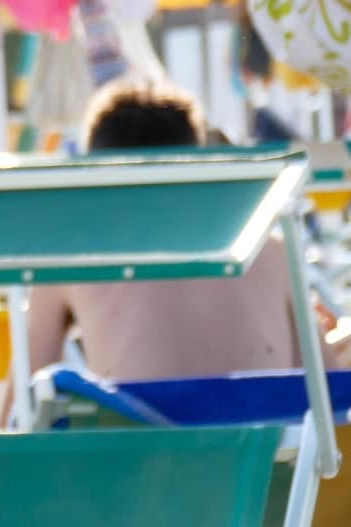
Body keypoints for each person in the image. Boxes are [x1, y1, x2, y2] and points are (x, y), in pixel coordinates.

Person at [25, 81, 300, 383]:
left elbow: (16, 410)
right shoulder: (265, 247)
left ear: (97, 171)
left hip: (142, 428)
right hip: (266, 428)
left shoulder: (72, 259)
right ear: (196, 159)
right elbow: (328, 383)